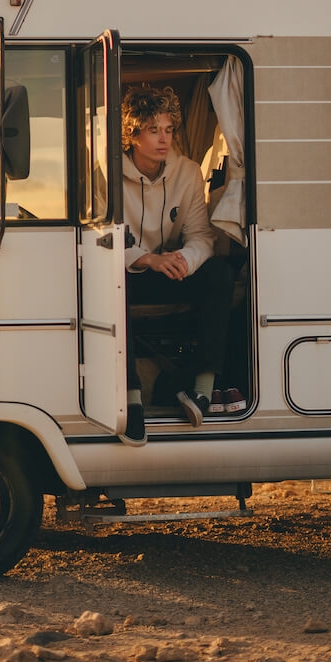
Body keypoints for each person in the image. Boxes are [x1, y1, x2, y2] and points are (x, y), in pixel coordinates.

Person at [120, 85, 240, 446]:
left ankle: (202, 391)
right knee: (107, 285)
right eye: (154, 130)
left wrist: (184, 261)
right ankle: (131, 401)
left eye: (169, 130)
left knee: (220, 273)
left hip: (169, 270)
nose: (164, 139)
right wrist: (147, 259)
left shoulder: (188, 172)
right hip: (127, 271)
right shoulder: (104, 171)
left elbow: (202, 236)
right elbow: (101, 238)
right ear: (133, 132)